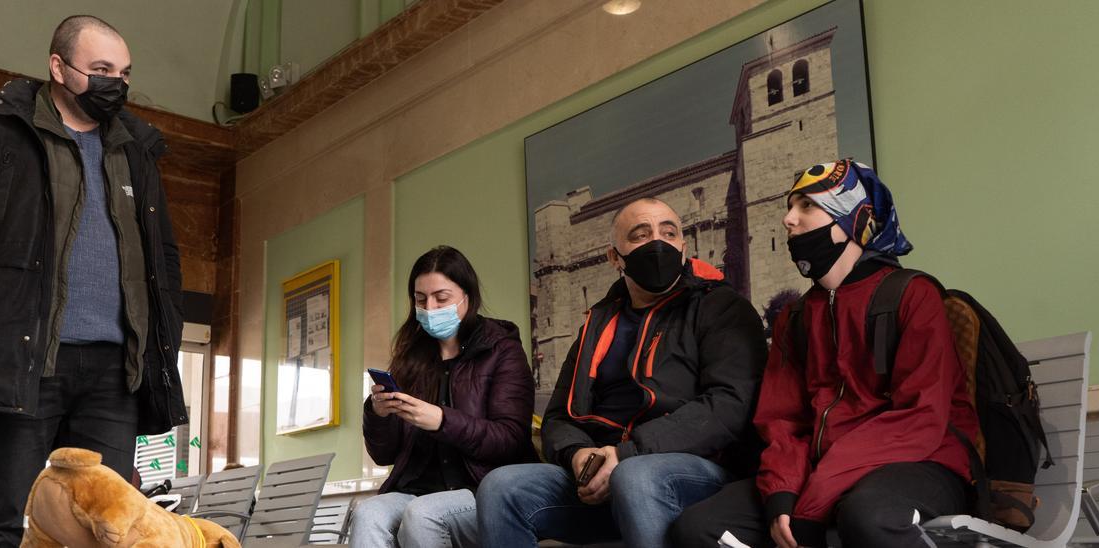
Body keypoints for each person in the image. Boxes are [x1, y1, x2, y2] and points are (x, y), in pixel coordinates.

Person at [0, 15, 186, 546]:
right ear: (58, 67)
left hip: (114, 373)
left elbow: (162, 255)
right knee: (4, 522)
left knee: (103, 530)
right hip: (25, 361)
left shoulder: (137, 149)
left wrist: (162, 332)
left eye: (123, 74)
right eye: (100, 69)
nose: (115, 84)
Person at [669, 160, 980, 548]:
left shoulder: (914, 295)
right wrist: (782, 494)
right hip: (818, 471)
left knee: (870, 518)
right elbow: (782, 422)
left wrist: (814, 500)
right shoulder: (795, 319)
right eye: (790, 206)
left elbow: (920, 418)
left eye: (806, 206)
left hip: (921, 461)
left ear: (851, 219)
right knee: (699, 529)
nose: (788, 219)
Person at [477, 198, 767, 548]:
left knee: (635, 476)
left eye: (669, 233)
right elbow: (557, 416)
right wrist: (578, 455)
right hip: (605, 468)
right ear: (615, 257)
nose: (657, 243)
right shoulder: (596, 323)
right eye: (640, 235)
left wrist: (626, 455)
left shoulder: (722, 308)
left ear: (683, 247)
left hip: (695, 470)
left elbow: (729, 406)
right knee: (501, 487)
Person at [352, 246, 537, 548]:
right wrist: (378, 414)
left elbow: (510, 439)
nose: (430, 308)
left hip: (481, 489)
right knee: (367, 513)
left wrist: (440, 420)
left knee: (422, 514)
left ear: (467, 296)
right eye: (420, 299)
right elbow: (384, 456)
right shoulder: (410, 357)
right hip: (416, 490)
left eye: (442, 297)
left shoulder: (502, 349)